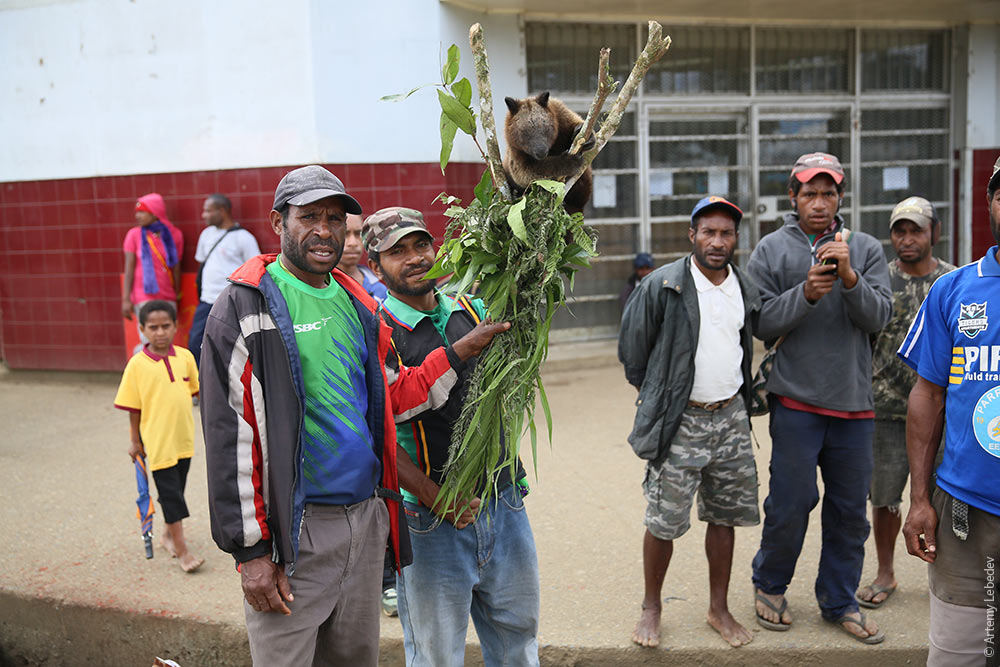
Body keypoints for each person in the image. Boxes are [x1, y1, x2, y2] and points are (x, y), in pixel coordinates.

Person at [199, 165, 508, 667]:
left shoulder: (356, 301)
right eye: (309, 217)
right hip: (296, 531)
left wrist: (458, 351)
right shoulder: (244, 307)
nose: (324, 229)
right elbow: (230, 433)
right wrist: (250, 552)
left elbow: (394, 396)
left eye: (335, 218)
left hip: (364, 524)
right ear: (279, 222)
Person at [364, 206, 540, 667]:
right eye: (396, 251)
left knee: (518, 641)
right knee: (437, 654)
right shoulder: (377, 333)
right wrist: (433, 495)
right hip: (429, 520)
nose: (416, 257)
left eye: (421, 244)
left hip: (504, 505)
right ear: (373, 266)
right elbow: (385, 422)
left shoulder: (471, 307)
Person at [747, 152, 892, 643]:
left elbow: (879, 319)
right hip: (795, 401)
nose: (819, 202)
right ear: (793, 197)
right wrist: (805, 294)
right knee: (790, 501)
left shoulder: (866, 248)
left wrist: (849, 279)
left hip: (855, 405)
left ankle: (838, 600)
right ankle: (770, 584)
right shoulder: (771, 249)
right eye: (809, 192)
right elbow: (762, 324)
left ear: (840, 198)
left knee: (850, 511)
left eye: (828, 193)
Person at [619, 196, 761, 649]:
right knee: (663, 520)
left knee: (725, 517)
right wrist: (659, 395)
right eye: (709, 232)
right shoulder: (663, 285)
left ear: (735, 239)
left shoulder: (743, 284)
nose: (717, 242)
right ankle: (651, 606)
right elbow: (633, 353)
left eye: (726, 234)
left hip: (731, 418)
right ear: (692, 235)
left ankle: (718, 609)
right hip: (681, 422)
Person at [899, 155, 1000, 666]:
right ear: (990, 205)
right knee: (960, 654)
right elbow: (928, 393)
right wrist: (919, 498)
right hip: (966, 512)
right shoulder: (954, 290)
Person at [857, 197, 955, 610]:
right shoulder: (880, 282)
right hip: (887, 412)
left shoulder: (953, 281)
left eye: (916, 230)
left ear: (934, 232)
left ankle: (950, 579)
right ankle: (885, 572)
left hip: (944, 414)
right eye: (900, 230)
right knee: (885, 497)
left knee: (949, 499)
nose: (908, 238)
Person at [113, 299, 203, 573]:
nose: (160, 332)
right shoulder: (137, 365)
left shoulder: (186, 357)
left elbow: (194, 393)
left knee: (176, 490)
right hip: (159, 443)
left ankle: (166, 535)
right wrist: (135, 441)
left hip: (184, 440)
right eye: (153, 327)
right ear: (142, 329)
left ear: (176, 326)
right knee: (172, 496)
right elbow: (134, 409)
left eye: (166, 326)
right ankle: (182, 550)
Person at [186, 194, 260, 367]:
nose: (203, 215)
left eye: (208, 211)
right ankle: (200, 386)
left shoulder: (244, 238)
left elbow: (255, 270)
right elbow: (202, 265)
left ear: (222, 211)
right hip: (206, 301)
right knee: (196, 343)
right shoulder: (206, 235)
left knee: (231, 346)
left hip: (231, 303)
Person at [121, 193, 184, 353]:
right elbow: (129, 268)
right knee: (149, 339)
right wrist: (126, 299)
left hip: (167, 294)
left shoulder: (174, 234)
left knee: (166, 337)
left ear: (155, 212)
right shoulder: (134, 234)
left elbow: (176, 267)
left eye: (142, 212)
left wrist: (176, 292)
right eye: (137, 212)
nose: (138, 216)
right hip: (143, 295)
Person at [341, 213, 388, 302]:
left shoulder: (379, 290)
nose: (353, 243)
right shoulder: (320, 285)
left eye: (358, 234)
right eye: (345, 234)